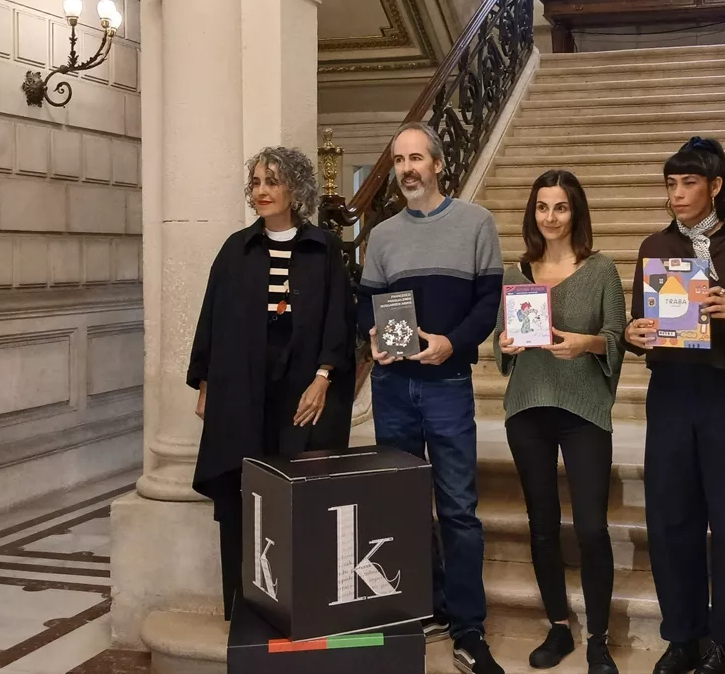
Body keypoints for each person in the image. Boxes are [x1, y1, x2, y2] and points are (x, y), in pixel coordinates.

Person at [624, 136, 725, 674]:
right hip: (670, 393)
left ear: (715, 187)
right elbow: (636, 326)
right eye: (670, 184)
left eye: (688, 183)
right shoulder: (652, 247)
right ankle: (683, 635)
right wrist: (634, 333)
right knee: (671, 517)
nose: (677, 194)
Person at [358, 121, 505, 674]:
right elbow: (366, 303)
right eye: (399, 161)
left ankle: (469, 627)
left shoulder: (476, 223)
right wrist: (369, 335)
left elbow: (489, 300)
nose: (407, 169)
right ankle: (426, 605)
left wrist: (453, 343)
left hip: (447, 384)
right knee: (402, 503)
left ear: (438, 164)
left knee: (459, 510)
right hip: (393, 387)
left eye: (416, 158)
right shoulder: (385, 235)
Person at [186, 146, 353, 620]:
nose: (261, 191)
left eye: (272, 181)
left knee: (302, 490)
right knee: (242, 490)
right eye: (257, 182)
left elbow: (339, 322)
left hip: (303, 385)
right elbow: (212, 320)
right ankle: (244, 608)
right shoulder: (236, 249)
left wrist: (323, 378)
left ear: (295, 190)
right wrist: (205, 384)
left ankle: (305, 602)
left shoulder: (324, 249)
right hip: (242, 387)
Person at [494, 170, 625, 674]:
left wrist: (583, 343)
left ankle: (598, 637)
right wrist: (503, 344)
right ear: (533, 213)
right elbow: (501, 343)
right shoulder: (515, 273)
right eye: (543, 207)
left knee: (591, 528)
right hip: (527, 408)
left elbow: (616, 338)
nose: (551, 217)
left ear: (576, 213)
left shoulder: (601, 269)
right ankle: (558, 626)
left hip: (583, 410)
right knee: (542, 524)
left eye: (561, 207)